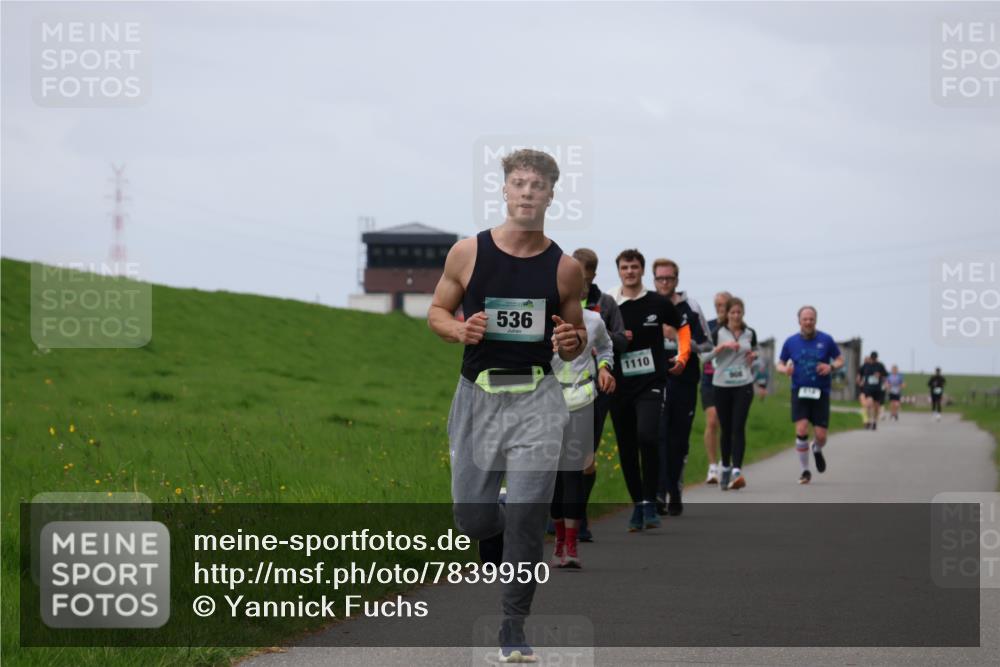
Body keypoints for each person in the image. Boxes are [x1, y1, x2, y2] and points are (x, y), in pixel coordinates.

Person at [427, 148, 587, 663]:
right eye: (518, 183)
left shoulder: (565, 269)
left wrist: (570, 343)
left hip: (538, 399)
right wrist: (458, 329)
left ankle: (513, 627)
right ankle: (493, 512)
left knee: (526, 517)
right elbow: (436, 310)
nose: (526, 192)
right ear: (504, 190)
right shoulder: (467, 253)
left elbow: (577, 332)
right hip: (478, 396)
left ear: (550, 195)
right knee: (471, 519)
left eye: (536, 186)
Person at [609, 249, 690, 530]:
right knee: (627, 447)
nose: (629, 271)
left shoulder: (657, 302)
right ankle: (639, 506)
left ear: (642, 271)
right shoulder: (610, 303)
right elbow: (595, 333)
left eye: (634, 267)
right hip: (619, 385)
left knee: (647, 435)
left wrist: (682, 358)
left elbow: (683, 327)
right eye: (624, 267)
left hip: (651, 382)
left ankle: (652, 499)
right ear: (618, 271)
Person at [550, 297, 615, 569]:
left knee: (573, 471)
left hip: (581, 400)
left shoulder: (594, 320)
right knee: (552, 475)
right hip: (547, 401)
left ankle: (572, 544)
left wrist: (604, 367)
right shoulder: (545, 318)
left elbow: (606, 347)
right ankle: (559, 541)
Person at [571, 247, 628, 542]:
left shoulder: (604, 304)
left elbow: (619, 339)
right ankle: (558, 515)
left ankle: (579, 516)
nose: (576, 281)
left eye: (582, 276)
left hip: (593, 388)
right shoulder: (556, 302)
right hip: (557, 389)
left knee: (586, 457)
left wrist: (597, 348)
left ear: (592, 276)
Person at [651, 258, 711, 516]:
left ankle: (675, 488)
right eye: (660, 278)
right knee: (658, 435)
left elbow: (707, 343)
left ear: (677, 280)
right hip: (655, 379)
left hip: (684, 380)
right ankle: (659, 492)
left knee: (678, 439)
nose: (664, 283)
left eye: (669, 278)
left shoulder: (690, 307)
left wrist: (677, 336)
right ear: (653, 280)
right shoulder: (648, 304)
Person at [776, 306, 844, 484]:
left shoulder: (826, 340)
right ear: (799, 321)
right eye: (805, 319)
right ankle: (805, 471)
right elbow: (780, 363)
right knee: (802, 428)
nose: (808, 322)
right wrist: (785, 369)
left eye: (811, 319)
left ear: (816, 321)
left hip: (821, 392)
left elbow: (840, 359)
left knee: (821, 436)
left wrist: (831, 367)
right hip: (799, 390)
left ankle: (817, 448)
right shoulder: (791, 342)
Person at [700, 296, 757, 491]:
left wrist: (752, 356)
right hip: (722, 384)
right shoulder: (717, 333)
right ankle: (725, 466)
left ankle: (737, 471)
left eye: (739, 312)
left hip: (744, 384)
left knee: (738, 427)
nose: (736, 316)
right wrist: (721, 347)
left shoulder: (750, 333)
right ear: (727, 314)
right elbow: (704, 357)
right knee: (725, 428)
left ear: (743, 313)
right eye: (732, 312)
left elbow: (754, 352)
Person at [701, 291, 732, 484]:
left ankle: (725, 462)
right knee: (712, 421)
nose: (720, 309)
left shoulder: (738, 328)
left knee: (726, 424)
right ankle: (712, 467)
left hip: (731, 383)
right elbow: (701, 350)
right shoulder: (707, 326)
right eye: (717, 305)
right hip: (709, 380)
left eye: (724, 305)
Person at [858, 351, 889, 430]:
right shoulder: (866, 365)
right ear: (870, 358)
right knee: (869, 403)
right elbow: (860, 373)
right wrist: (859, 380)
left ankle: (874, 422)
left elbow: (886, 374)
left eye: (874, 359)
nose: (873, 360)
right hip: (868, 388)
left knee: (876, 407)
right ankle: (867, 420)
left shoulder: (880, 365)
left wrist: (880, 375)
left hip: (877, 389)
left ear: (877, 358)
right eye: (872, 359)